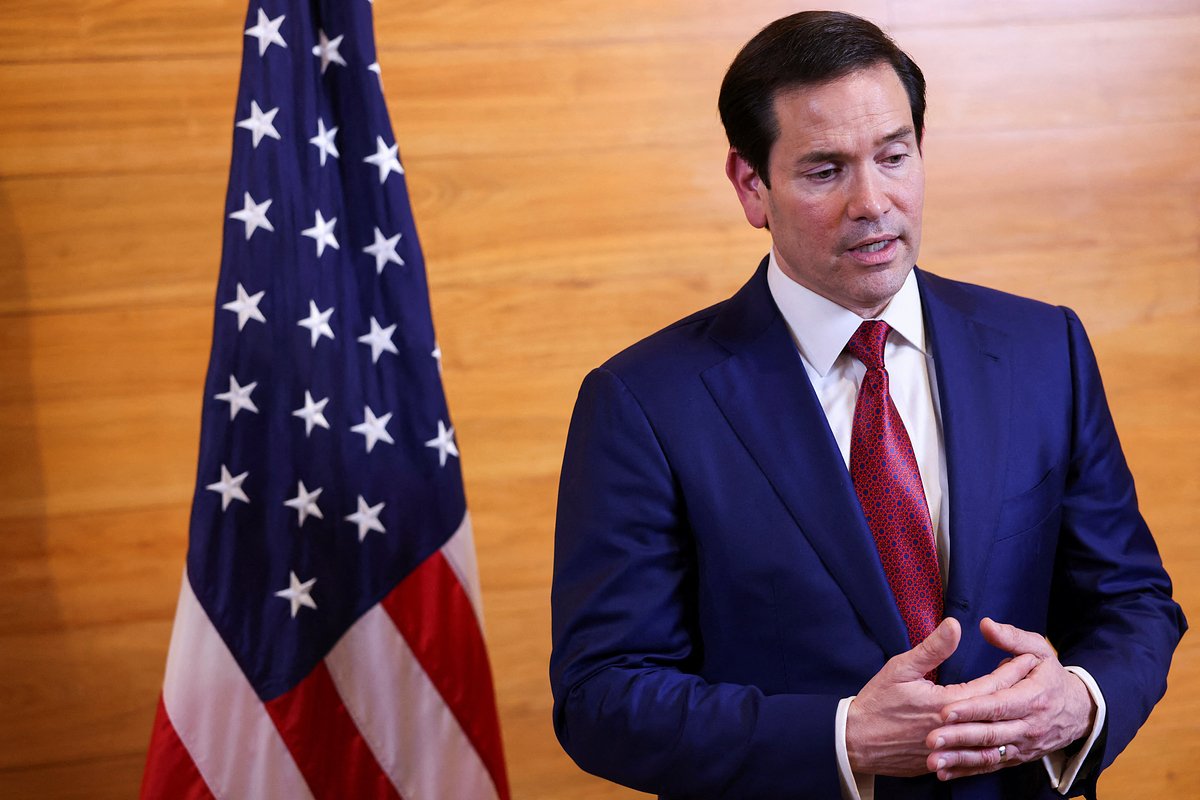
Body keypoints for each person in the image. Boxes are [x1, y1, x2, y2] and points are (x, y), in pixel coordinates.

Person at [549, 10, 1187, 800]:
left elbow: (1132, 601)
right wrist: (845, 737)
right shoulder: (644, 402)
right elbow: (603, 696)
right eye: (825, 171)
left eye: (894, 156)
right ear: (752, 186)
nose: (873, 202)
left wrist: (1079, 703)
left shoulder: (1042, 347)